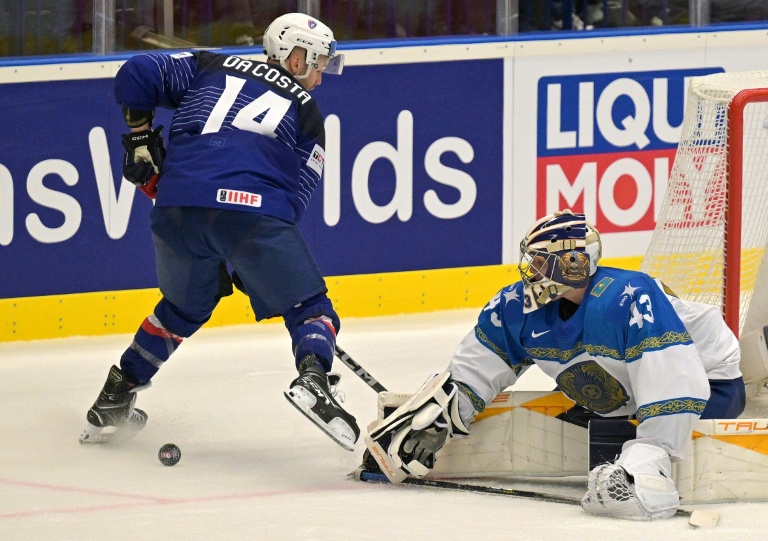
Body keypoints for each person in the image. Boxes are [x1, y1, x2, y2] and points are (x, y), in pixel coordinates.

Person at [79, 13, 359, 451]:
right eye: (318, 65)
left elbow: (137, 72)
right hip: (252, 216)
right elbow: (293, 196)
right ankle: (314, 379)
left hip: (177, 210)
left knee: (182, 309)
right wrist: (252, 263)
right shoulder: (307, 113)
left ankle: (116, 396)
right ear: (296, 57)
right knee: (311, 309)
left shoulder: (208, 66)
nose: (320, 79)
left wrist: (137, 138)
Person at [366, 209, 746, 520]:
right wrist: (438, 416)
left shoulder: (627, 297)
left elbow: (674, 375)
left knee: (644, 413)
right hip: (625, 390)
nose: (529, 272)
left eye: (539, 262)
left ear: (572, 263)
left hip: (709, 383)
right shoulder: (520, 306)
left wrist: (650, 454)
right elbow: (479, 365)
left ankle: (652, 463)